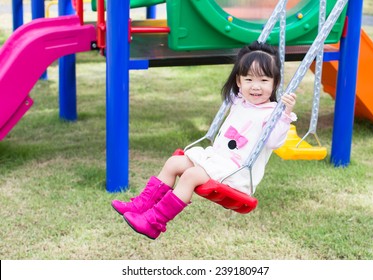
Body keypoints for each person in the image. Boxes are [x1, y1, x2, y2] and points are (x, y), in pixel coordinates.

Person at [112, 41, 297, 240]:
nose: (255, 86)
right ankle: (141, 206)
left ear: (275, 83)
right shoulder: (240, 101)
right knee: (174, 162)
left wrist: (285, 113)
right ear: (238, 81)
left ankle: (153, 222)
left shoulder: (272, 113)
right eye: (249, 78)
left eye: (263, 80)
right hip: (217, 160)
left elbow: (274, 142)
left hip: (237, 172)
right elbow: (237, 91)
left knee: (190, 175)